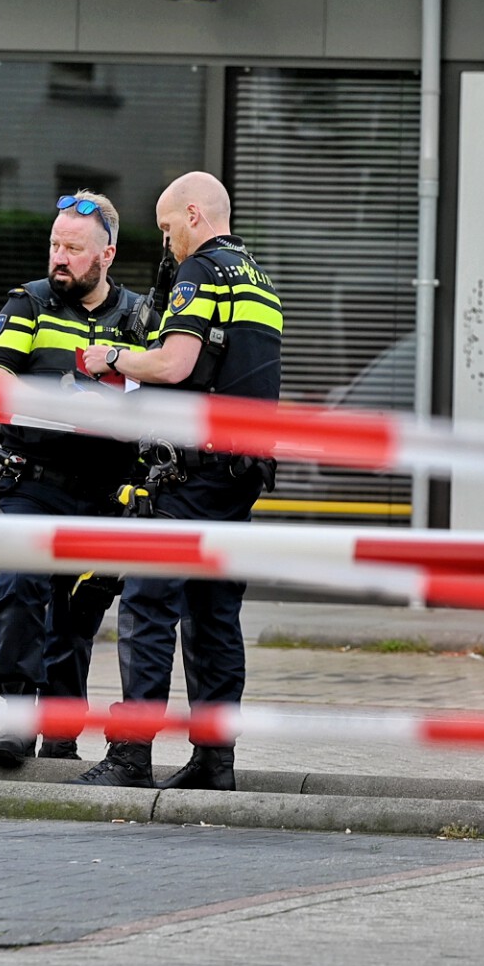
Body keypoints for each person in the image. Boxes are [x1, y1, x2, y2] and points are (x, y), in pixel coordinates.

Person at [69, 172, 282, 791]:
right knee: (214, 616)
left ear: (194, 213)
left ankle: (131, 754)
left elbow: (176, 362)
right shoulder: (261, 281)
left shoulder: (203, 271)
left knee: (147, 604)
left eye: (168, 228)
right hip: (238, 477)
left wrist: (112, 358)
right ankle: (216, 761)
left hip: (190, 474)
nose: (168, 244)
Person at [0, 191, 143, 766]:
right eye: (55, 245)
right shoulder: (30, 304)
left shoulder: (139, 317)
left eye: (73, 248)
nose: (60, 258)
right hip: (32, 480)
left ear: (107, 255)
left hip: (104, 490)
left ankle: (62, 739)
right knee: (19, 588)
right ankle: (18, 718)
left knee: (78, 612)